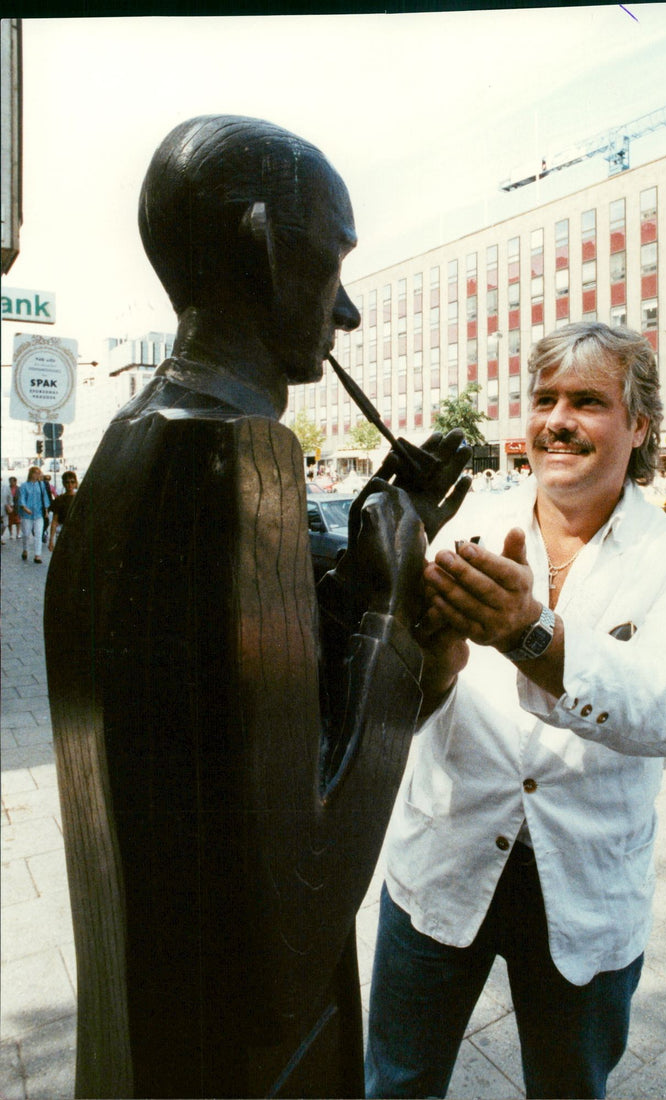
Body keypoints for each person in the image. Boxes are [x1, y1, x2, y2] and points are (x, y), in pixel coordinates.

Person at [44, 114, 468, 1100]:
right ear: (261, 242)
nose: (348, 311)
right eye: (333, 262)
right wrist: (397, 609)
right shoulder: (240, 461)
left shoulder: (138, 436)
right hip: (247, 1058)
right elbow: (295, 907)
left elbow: (217, 740)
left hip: (148, 1036)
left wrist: (355, 584)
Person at [365, 322, 666, 1100]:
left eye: (588, 401)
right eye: (544, 399)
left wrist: (530, 633)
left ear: (639, 426)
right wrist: (432, 664)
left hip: (586, 889)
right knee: (396, 1084)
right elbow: (411, 701)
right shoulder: (465, 524)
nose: (558, 420)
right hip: (442, 862)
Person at [17, 466, 50, 563]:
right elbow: (21, 498)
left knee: (39, 534)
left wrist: (46, 511)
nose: (37, 475)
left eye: (39, 473)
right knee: (26, 534)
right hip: (27, 514)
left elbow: (45, 498)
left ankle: (37, 555)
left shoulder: (41, 485)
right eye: (35, 473)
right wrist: (25, 508)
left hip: (39, 513)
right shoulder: (24, 485)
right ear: (31, 473)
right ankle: (25, 549)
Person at [47, 471, 78, 551]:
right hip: (62, 532)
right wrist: (51, 540)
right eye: (67, 482)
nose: (70, 484)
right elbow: (54, 521)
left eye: (72, 482)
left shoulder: (80, 499)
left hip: (76, 532)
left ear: (75, 483)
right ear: (63, 483)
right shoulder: (59, 499)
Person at [3, 476, 21, 543]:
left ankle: (18, 533)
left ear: (15, 482)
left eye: (12, 481)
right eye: (10, 481)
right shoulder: (7, 488)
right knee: (10, 521)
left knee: (18, 521)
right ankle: (11, 534)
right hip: (9, 507)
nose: (11, 483)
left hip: (17, 506)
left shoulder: (19, 489)